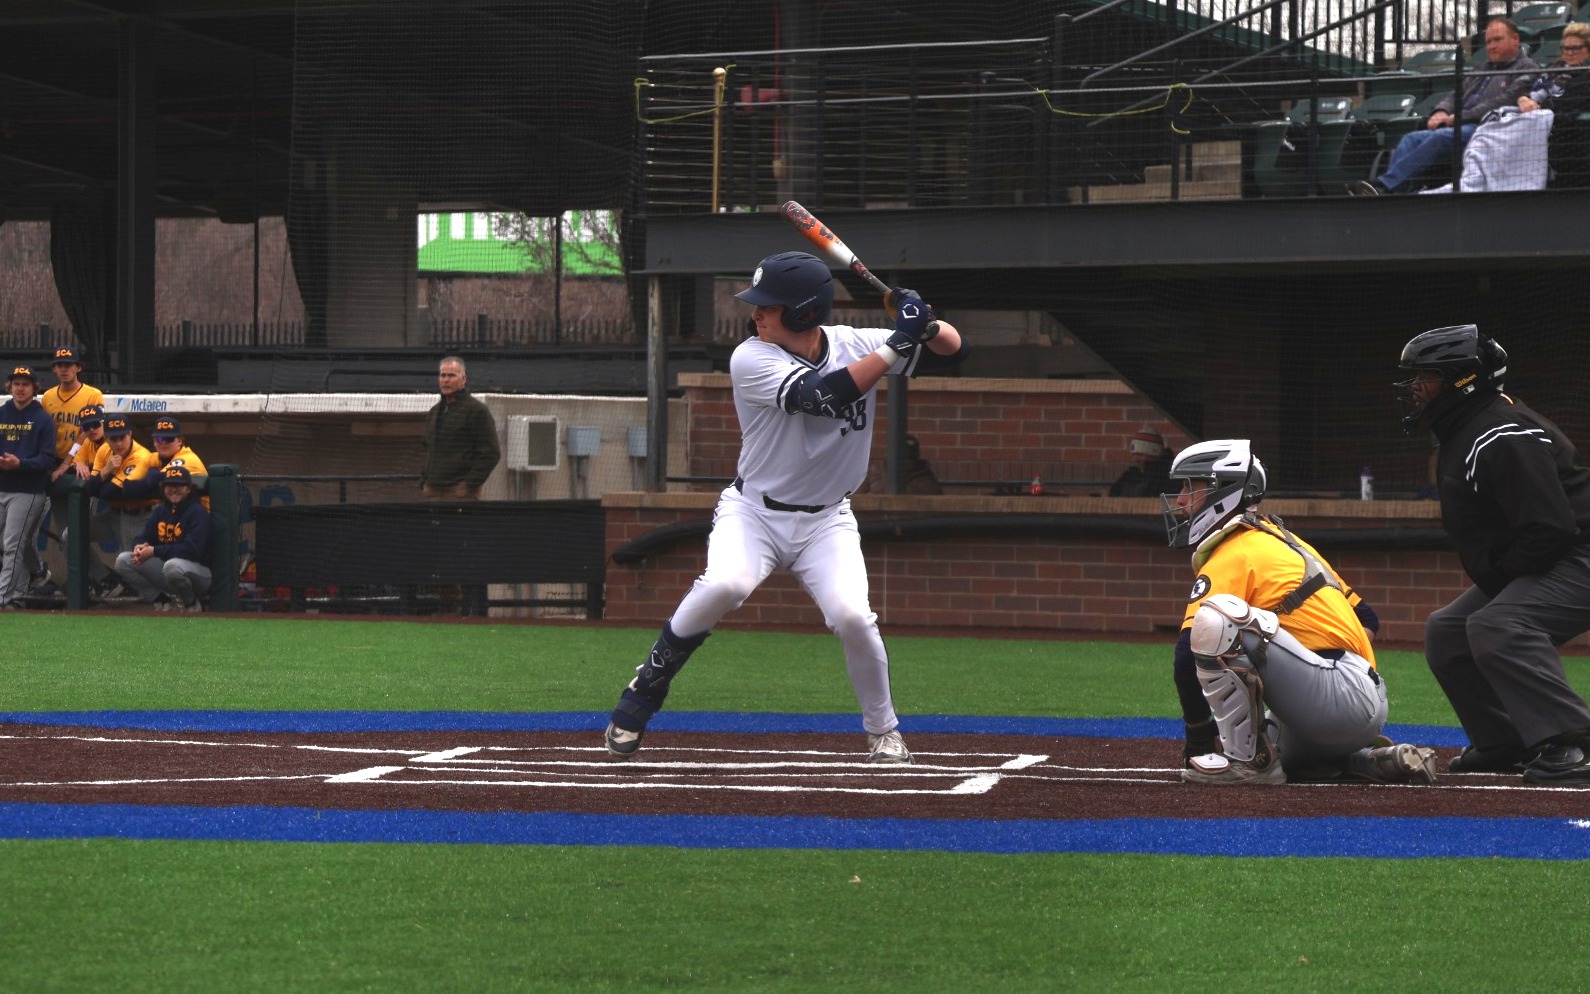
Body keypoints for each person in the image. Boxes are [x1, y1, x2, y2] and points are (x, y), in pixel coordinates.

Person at [602, 250, 968, 764]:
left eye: (767, 307)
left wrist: (924, 322)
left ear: (801, 312)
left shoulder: (857, 343)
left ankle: (884, 731)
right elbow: (824, 397)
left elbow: (957, 350)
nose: (755, 314)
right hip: (754, 514)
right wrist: (900, 340)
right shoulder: (751, 357)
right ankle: (645, 690)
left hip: (827, 521)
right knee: (726, 583)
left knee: (853, 618)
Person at [1160, 438, 1437, 785]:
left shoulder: (1234, 550)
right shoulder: (1285, 540)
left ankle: (1249, 765)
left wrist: (1198, 739)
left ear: (1222, 491)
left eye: (1191, 486)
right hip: (1355, 699)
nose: (1183, 499)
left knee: (1217, 618)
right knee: (1270, 742)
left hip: (1336, 697)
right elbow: (1367, 617)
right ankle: (1362, 758)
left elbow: (1187, 657)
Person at [1395, 325, 1590, 783]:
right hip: (1564, 550)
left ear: (1464, 379)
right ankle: (1505, 740)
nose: (1416, 388)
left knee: (1499, 623)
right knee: (1449, 630)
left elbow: (1551, 528)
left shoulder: (1501, 432)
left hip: (1578, 549)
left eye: (1427, 377)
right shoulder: (1470, 424)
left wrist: (1505, 576)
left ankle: (1573, 743)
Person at [1350, 18, 1538, 195]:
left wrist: (1462, 116)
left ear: (1515, 39)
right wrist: (1441, 111)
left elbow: (1504, 100)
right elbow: (1456, 94)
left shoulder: (1527, 67)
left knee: (1440, 137)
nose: (1491, 46)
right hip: (1460, 124)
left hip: (1488, 128)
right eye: (1488, 42)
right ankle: (1394, 191)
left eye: (1497, 40)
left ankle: (1385, 186)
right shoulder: (1482, 67)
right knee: (1411, 138)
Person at [32, 347, 103, 590]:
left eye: (69, 364)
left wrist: (67, 463)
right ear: (54, 369)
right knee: (66, 534)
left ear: (78, 367)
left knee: (75, 531)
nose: (64, 369)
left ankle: (98, 578)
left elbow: (89, 432)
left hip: (82, 465)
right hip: (55, 463)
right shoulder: (48, 397)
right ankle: (92, 580)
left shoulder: (93, 395)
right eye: (60, 365)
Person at [114, 463, 212, 613]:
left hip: (200, 575)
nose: (173, 490)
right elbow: (144, 535)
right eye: (169, 486)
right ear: (163, 489)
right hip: (171, 571)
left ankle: (191, 604)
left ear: (188, 488)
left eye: (179, 486)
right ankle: (161, 599)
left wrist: (154, 551)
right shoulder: (161, 511)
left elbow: (191, 551)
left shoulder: (197, 512)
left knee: (172, 566)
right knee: (123, 560)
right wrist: (139, 546)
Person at [83, 414, 161, 597]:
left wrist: (101, 482)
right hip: (113, 514)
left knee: (132, 563)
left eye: (122, 437)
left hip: (139, 516)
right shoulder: (104, 451)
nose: (118, 443)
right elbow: (89, 489)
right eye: (113, 438)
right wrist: (106, 470)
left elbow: (108, 492)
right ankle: (106, 580)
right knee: (71, 536)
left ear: (130, 435)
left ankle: (156, 598)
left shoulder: (140, 456)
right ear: (107, 438)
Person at [0, 365, 58, 609]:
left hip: (28, 490)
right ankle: (37, 572)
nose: (20, 388)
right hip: (2, 486)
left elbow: (47, 459)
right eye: (16, 384)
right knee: (7, 544)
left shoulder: (43, 419)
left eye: (25, 384)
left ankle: (4, 596)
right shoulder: (2, 413)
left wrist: (20, 463)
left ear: (34, 388)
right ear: (10, 387)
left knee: (12, 544)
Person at [1519, 22, 1590, 188]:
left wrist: (1541, 106)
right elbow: (1533, 90)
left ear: (1588, 49)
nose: (1569, 53)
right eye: (1565, 48)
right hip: (1536, 121)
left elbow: (1571, 104)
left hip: (1566, 134)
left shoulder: (1587, 76)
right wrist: (1524, 99)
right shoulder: (1554, 69)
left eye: (1575, 48)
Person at [420, 356, 501, 500]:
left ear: (463, 379)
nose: (446, 380)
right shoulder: (434, 412)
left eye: (451, 375)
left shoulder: (477, 410)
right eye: (443, 375)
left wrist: (468, 485)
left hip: (459, 494)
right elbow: (427, 448)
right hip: (432, 492)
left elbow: (491, 453)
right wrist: (424, 481)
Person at [117, 416, 209, 510]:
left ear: (179, 441)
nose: (163, 443)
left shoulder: (188, 458)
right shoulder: (152, 458)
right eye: (159, 439)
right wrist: (152, 483)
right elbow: (127, 488)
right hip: (174, 514)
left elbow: (154, 480)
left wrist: (153, 477)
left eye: (169, 439)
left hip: (198, 515)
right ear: (154, 441)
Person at [1109, 426, 1174, 497]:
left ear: (1154, 453)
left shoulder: (1167, 478)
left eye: (1139, 455)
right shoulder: (1130, 476)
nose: (1135, 459)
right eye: (1134, 454)